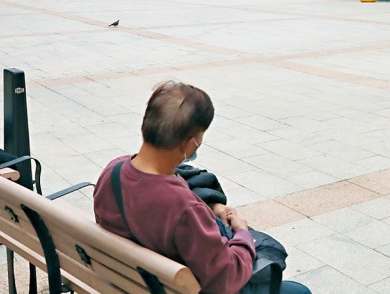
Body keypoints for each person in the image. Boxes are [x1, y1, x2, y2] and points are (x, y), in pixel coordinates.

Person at [93, 81, 311, 294]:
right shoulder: (184, 209)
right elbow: (226, 279)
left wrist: (209, 209)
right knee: (300, 291)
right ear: (189, 144)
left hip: (127, 282)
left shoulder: (113, 170)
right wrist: (242, 234)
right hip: (174, 285)